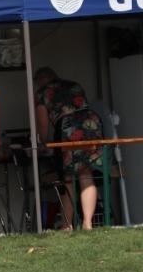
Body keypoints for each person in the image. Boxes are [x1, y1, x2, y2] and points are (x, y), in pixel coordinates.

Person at [34, 67, 106, 230]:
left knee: (68, 178)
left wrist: (43, 142)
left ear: (40, 80)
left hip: (68, 127)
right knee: (86, 174)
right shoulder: (74, 85)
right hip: (91, 123)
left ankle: (67, 224)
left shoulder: (42, 93)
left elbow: (42, 124)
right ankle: (87, 223)